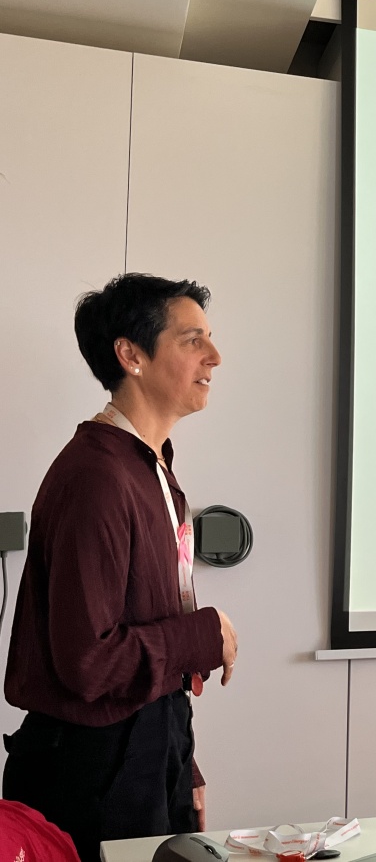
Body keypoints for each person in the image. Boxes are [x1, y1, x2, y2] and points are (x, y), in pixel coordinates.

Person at [2, 274, 239, 862]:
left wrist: (182, 761)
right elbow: (89, 662)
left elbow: (149, 623)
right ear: (131, 355)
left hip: (146, 748)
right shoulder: (98, 477)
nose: (214, 357)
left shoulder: (146, 465)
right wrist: (204, 635)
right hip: (93, 770)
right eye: (192, 340)